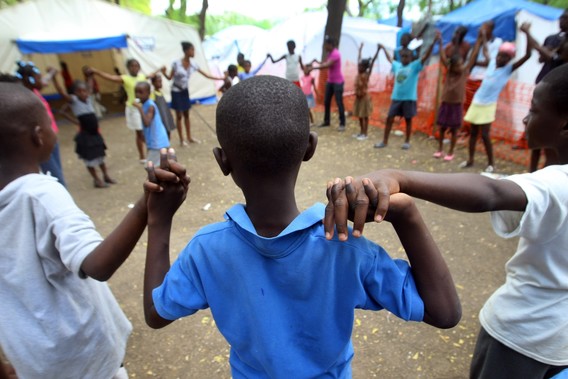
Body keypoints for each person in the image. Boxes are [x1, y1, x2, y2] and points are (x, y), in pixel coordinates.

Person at [141, 75, 461, 378]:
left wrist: (159, 220)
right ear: (310, 147)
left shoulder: (206, 250)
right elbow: (444, 313)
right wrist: (407, 216)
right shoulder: (346, 248)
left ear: (222, 161)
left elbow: (156, 314)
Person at [324, 63, 568, 379]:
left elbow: (491, 191)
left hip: (523, 335)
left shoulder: (559, 184)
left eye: (533, 110)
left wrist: (398, 177)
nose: (525, 118)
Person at [0, 82, 166, 379]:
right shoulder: (42, 196)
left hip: (33, 363)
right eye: (50, 122)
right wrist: (145, 206)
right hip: (82, 357)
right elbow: (96, 264)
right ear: (38, 136)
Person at [459, 23, 533, 173]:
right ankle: (470, 159)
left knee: (485, 135)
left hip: (488, 105)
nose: (500, 58)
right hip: (477, 101)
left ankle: (491, 163)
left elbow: (528, 55)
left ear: (510, 59)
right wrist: (484, 36)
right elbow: (486, 49)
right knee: (473, 133)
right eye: (500, 55)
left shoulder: (508, 70)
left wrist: (526, 33)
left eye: (505, 57)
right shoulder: (492, 62)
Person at [514, 9, 568, 172]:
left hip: (559, 98)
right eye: (560, 17)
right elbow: (542, 57)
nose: (561, 20)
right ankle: (533, 173)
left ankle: (548, 172)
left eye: (565, 18)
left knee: (553, 141)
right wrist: (529, 38)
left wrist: (528, 34)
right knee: (537, 135)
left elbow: (552, 57)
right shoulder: (553, 38)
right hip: (545, 91)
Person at [374, 32, 441, 150]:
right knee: (390, 118)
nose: (404, 59)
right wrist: (383, 48)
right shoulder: (397, 66)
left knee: (408, 120)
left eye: (407, 57)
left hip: (409, 98)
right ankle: (384, 140)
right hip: (397, 97)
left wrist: (434, 42)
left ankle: (407, 141)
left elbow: (425, 56)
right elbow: (390, 59)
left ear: (411, 58)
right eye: (403, 57)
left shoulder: (415, 66)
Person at [87, 59, 162, 163]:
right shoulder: (125, 78)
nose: (135, 68)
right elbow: (111, 78)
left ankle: (150, 151)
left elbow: (152, 74)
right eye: (132, 66)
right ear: (128, 68)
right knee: (140, 133)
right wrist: (96, 72)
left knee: (145, 131)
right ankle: (146, 153)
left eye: (137, 66)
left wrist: (160, 69)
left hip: (143, 108)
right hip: (134, 109)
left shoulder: (142, 77)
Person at [52, 73, 116, 188]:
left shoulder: (89, 99)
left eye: (84, 91)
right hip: (86, 136)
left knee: (101, 157)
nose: (83, 93)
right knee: (90, 159)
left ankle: (106, 175)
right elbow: (62, 92)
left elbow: (90, 86)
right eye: (79, 91)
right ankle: (97, 180)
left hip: (95, 134)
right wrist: (54, 78)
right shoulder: (74, 101)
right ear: (74, 93)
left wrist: (90, 75)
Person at [433, 28, 485, 161]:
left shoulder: (464, 72)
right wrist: (439, 43)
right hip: (446, 102)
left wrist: (479, 42)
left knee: (455, 129)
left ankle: (450, 151)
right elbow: (444, 58)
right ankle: (440, 149)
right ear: (452, 66)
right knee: (442, 127)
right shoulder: (450, 71)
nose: (462, 66)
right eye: (459, 64)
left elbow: (472, 57)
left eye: (462, 63)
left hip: (456, 104)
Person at [162, 42, 225, 146]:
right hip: (176, 91)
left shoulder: (193, 64)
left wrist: (221, 78)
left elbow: (206, 75)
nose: (193, 52)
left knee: (186, 114)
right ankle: (182, 139)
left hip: (184, 91)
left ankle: (189, 137)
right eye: (192, 50)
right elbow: (169, 78)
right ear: (186, 51)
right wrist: (164, 72)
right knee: (179, 116)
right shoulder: (176, 64)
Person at [14, 61, 67, 187]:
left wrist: (51, 73)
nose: (42, 81)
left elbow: (45, 80)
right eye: (39, 78)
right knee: (56, 177)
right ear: (31, 80)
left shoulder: (34, 91)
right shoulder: (27, 98)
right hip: (42, 142)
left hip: (51, 138)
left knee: (57, 172)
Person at [311, 36, 346, 131]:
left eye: (326, 45)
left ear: (330, 45)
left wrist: (313, 68)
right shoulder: (329, 53)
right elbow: (324, 62)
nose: (325, 47)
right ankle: (326, 121)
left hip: (338, 82)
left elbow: (327, 65)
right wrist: (316, 62)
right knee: (326, 101)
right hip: (330, 81)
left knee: (339, 102)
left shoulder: (335, 54)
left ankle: (342, 123)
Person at [132, 82, 170, 167]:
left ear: (148, 93)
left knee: (150, 167)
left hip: (157, 142)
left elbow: (147, 123)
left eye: (141, 92)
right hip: (155, 142)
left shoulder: (150, 106)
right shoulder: (145, 104)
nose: (137, 95)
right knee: (159, 166)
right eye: (136, 92)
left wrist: (139, 108)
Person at [352, 43, 380, 141]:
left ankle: (365, 133)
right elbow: (358, 59)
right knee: (360, 115)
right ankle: (361, 132)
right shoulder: (359, 74)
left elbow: (372, 64)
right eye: (359, 66)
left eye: (361, 66)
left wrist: (377, 51)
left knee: (365, 116)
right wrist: (360, 49)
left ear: (365, 67)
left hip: (364, 98)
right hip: (358, 97)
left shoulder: (366, 75)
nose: (359, 67)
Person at [151, 74, 177, 140]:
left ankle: (167, 147)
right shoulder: (152, 95)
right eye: (158, 82)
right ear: (153, 83)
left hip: (165, 116)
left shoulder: (160, 92)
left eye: (161, 81)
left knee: (167, 132)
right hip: (160, 118)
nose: (160, 83)